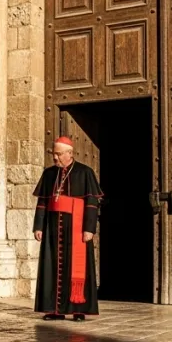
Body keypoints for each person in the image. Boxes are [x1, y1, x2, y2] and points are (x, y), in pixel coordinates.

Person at [32, 136, 103, 321]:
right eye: (53, 154)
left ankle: (78, 309)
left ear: (70, 153)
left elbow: (92, 202)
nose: (55, 158)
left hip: (77, 227)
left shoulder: (85, 172)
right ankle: (54, 310)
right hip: (52, 227)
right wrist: (38, 226)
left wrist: (89, 228)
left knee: (76, 267)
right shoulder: (49, 174)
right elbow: (42, 202)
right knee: (52, 265)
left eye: (59, 154)